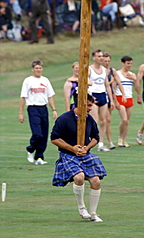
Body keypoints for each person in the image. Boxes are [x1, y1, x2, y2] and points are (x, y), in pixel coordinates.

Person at [51, 93, 106, 222]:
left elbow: (95, 137)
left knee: (96, 181)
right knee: (79, 177)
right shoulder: (64, 119)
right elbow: (54, 138)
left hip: (85, 154)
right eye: (89, 105)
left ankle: (93, 213)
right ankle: (82, 208)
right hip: (68, 154)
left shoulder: (89, 119)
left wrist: (86, 148)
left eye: (92, 106)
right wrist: (72, 148)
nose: (91, 109)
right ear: (80, 104)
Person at [19, 60, 58, 165]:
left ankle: (39, 157)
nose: (38, 70)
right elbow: (23, 97)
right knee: (37, 133)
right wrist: (21, 113)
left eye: (40, 68)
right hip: (33, 108)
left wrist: (54, 110)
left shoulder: (45, 80)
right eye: (36, 68)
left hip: (43, 108)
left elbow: (50, 96)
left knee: (44, 134)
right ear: (32, 69)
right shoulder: (28, 81)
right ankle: (30, 149)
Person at [88, 49, 114, 152]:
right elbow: (86, 83)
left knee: (104, 121)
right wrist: (89, 97)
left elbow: (107, 85)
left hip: (103, 95)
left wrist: (111, 100)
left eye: (102, 56)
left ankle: (101, 143)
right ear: (94, 58)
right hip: (93, 96)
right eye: (98, 56)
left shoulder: (104, 69)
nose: (101, 58)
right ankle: (91, 140)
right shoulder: (89, 69)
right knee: (95, 120)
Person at [102, 52, 126, 149]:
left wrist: (123, 94)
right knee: (105, 120)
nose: (107, 63)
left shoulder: (112, 71)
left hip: (111, 96)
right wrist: (111, 81)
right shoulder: (99, 71)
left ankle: (109, 141)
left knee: (108, 120)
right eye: (105, 61)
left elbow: (119, 83)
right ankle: (107, 141)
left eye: (108, 61)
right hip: (102, 96)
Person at [114, 56, 137, 148]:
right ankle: (120, 138)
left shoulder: (131, 74)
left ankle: (124, 140)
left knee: (127, 121)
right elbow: (114, 86)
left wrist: (134, 79)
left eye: (131, 63)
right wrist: (115, 100)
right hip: (119, 97)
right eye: (128, 63)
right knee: (124, 119)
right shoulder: (118, 73)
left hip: (129, 97)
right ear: (123, 63)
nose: (129, 65)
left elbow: (137, 88)